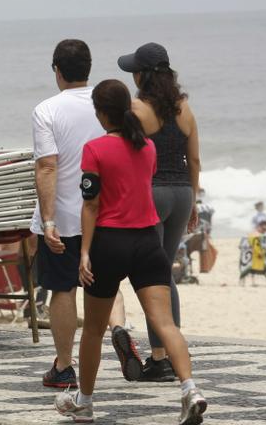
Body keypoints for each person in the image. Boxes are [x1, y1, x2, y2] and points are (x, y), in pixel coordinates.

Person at [55, 79, 206, 425]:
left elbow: (91, 206)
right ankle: (190, 390)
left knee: (93, 330)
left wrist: (84, 253)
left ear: (100, 113)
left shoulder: (93, 149)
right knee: (165, 323)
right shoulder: (147, 148)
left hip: (110, 243)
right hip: (148, 243)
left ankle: (85, 402)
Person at [31, 39, 140, 389]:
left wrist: (47, 221)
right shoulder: (106, 104)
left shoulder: (46, 110)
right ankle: (119, 329)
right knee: (107, 283)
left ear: (57, 70)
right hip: (105, 213)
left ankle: (64, 365)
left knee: (62, 289)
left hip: (63, 217)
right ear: (89, 67)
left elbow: (48, 166)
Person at [119, 42, 201, 382]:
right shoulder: (185, 108)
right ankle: (167, 352)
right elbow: (194, 160)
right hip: (182, 192)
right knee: (164, 271)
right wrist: (193, 200)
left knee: (152, 276)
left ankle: (160, 356)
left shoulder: (137, 110)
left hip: (152, 194)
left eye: (134, 70)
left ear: (142, 75)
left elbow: (126, 161)